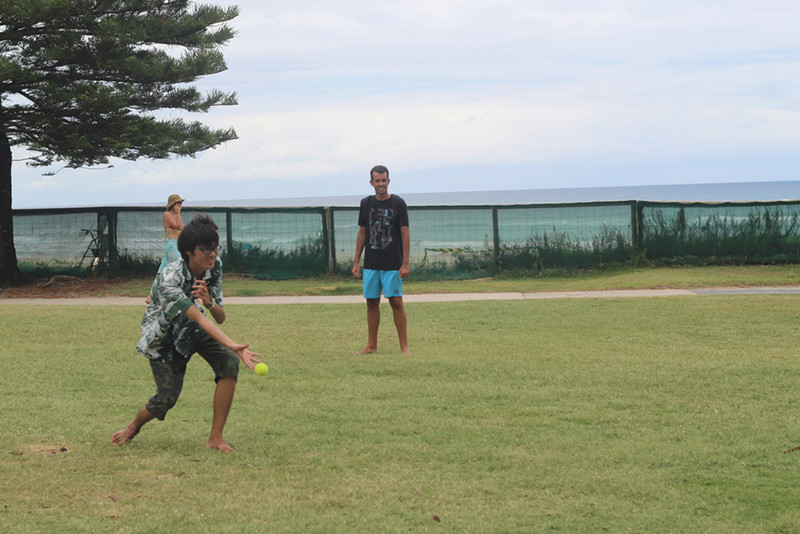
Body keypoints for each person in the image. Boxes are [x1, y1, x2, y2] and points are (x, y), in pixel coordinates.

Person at [113, 214, 263, 453]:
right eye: (206, 249)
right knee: (166, 399)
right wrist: (233, 344)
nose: (212, 254)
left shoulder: (214, 266)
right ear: (188, 252)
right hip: (165, 339)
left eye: (215, 247)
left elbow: (219, 317)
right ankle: (132, 427)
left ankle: (215, 438)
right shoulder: (170, 278)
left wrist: (209, 301)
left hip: (193, 329)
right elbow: (199, 318)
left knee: (228, 362)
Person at [352, 165, 412, 355]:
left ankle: (404, 347)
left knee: (396, 302)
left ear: (388, 181)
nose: (381, 184)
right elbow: (362, 232)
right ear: (371, 182)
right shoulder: (366, 203)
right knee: (371, 303)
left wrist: (405, 263)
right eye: (377, 180)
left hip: (393, 263)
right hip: (371, 263)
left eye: (383, 180)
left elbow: (405, 234)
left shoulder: (398, 203)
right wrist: (356, 261)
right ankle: (372, 345)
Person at [159, 193, 185, 273]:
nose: (180, 206)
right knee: (179, 267)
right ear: (174, 205)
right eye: (179, 204)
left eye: (181, 204)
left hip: (180, 244)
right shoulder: (167, 214)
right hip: (173, 245)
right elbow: (179, 227)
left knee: (167, 269)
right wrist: (178, 213)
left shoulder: (177, 216)